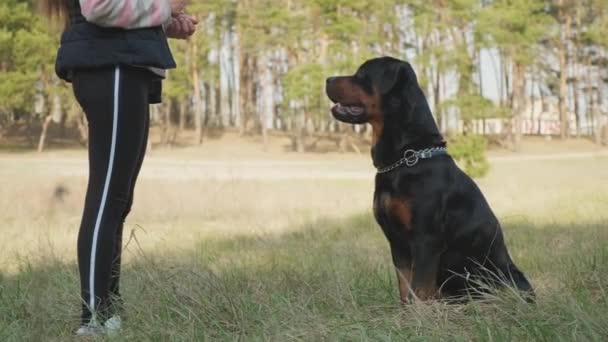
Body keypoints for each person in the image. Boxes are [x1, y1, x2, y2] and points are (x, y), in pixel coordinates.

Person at [41, 0, 197, 336]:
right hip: (112, 66)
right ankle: (93, 318)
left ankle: (108, 311)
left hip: (122, 65)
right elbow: (100, 8)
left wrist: (165, 20)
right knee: (108, 195)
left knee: (118, 200)